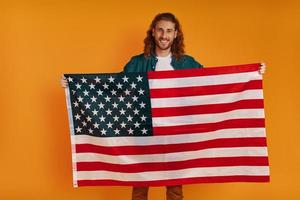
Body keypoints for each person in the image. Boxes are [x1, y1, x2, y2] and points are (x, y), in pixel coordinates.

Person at [60, 12, 266, 200]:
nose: (164, 35)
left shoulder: (187, 63)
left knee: (175, 189)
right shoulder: (137, 63)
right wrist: (74, 85)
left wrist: (252, 74)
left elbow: (212, 84)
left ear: (176, 34)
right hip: (143, 133)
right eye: (160, 30)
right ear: (153, 32)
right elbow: (115, 89)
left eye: (169, 31)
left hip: (176, 134)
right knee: (140, 187)